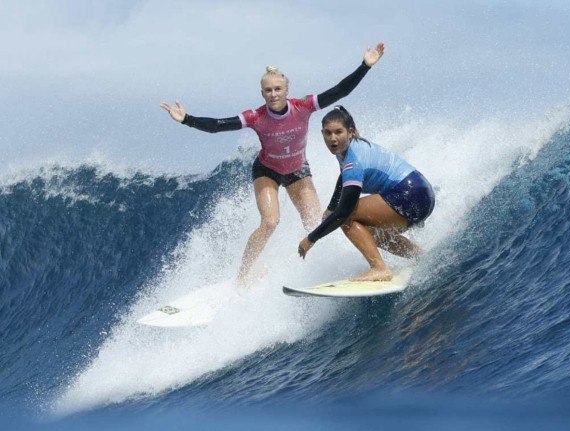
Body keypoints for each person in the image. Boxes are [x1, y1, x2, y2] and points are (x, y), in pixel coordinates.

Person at [160, 43, 385, 285]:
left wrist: (365, 66)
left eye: (278, 89)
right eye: (268, 90)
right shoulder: (255, 117)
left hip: (298, 170)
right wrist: (186, 119)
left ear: (287, 90)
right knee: (270, 222)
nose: (273, 94)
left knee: (315, 224)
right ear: (262, 93)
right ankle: (243, 276)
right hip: (267, 170)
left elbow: (340, 90)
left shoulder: (304, 106)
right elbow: (217, 126)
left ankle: (318, 269)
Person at [297, 106, 435, 282]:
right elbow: (343, 179)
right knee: (366, 232)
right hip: (422, 193)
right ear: (322, 133)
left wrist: (311, 238)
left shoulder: (353, 162)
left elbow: (344, 212)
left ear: (350, 132)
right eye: (328, 133)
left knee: (346, 218)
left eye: (338, 132)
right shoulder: (348, 149)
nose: (333, 138)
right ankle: (417, 254)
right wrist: (331, 207)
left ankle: (379, 269)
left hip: (408, 194)